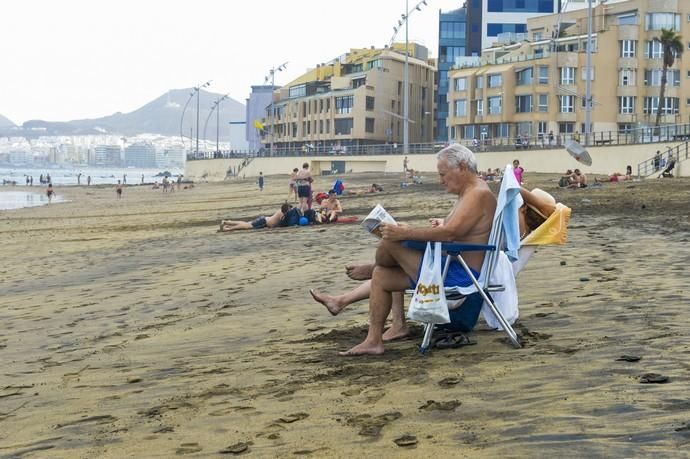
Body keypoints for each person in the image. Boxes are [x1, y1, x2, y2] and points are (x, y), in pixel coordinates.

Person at [317, 144, 497, 356]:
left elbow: (449, 234)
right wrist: (407, 232)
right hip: (450, 263)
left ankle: (373, 266)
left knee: (389, 242)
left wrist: (406, 233)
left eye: (443, 175)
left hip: (460, 274)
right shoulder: (471, 192)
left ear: (463, 167)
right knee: (382, 275)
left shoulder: (477, 193)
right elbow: (455, 233)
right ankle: (373, 340)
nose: (440, 180)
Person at [310, 184, 558, 335]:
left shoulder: (520, 227)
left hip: (467, 276)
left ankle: (374, 300)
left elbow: (553, 212)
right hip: (463, 264)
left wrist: (516, 187)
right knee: (393, 258)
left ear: (528, 207)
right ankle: (348, 300)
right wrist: (446, 225)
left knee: (393, 254)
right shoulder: (517, 228)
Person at [219, 203, 289, 232]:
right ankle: (228, 228)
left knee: (246, 224)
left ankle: (227, 223)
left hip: (264, 219)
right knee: (246, 226)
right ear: (286, 210)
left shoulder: (280, 211)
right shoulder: (282, 214)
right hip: (263, 222)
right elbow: (281, 224)